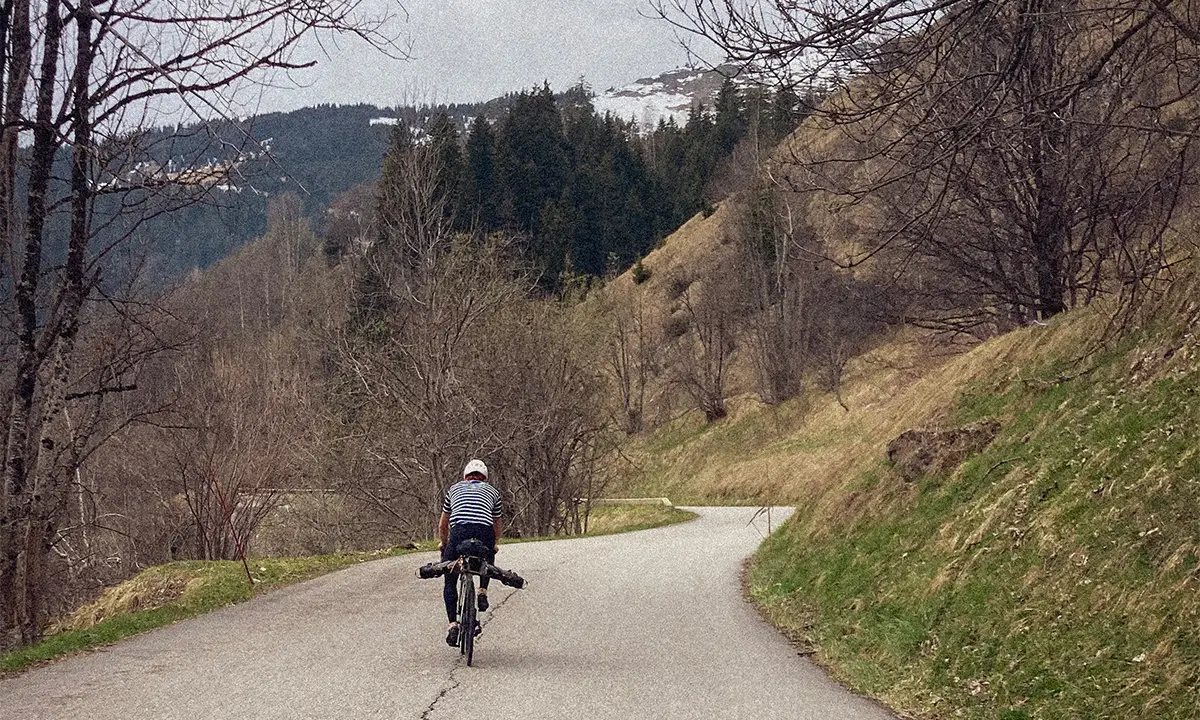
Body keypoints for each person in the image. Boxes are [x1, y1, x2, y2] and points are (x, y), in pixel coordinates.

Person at [439, 458, 503, 646]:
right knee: (488, 553)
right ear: (485, 477)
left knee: (449, 579)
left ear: (465, 476)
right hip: (484, 533)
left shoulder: (454, 489)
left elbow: (443, 525)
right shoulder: (493, 492)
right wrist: (495, 543)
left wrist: (445, 545)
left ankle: (452, 624)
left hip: (459, 533)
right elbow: (496, 524)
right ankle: (482, 590)